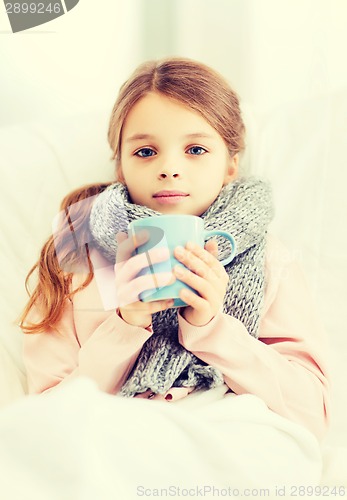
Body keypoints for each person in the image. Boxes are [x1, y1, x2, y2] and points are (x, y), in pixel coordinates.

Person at [19, 58, 330, 464]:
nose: (169, 168)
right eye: (145, 151)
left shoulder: (269, 257)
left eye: (196, 149)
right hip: (116, 443)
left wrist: (213, 329)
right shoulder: (77, 252)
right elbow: (46, 420)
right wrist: (125, 325)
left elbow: (313, 411)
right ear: (120, 166)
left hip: (236, 440)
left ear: (230, 164)